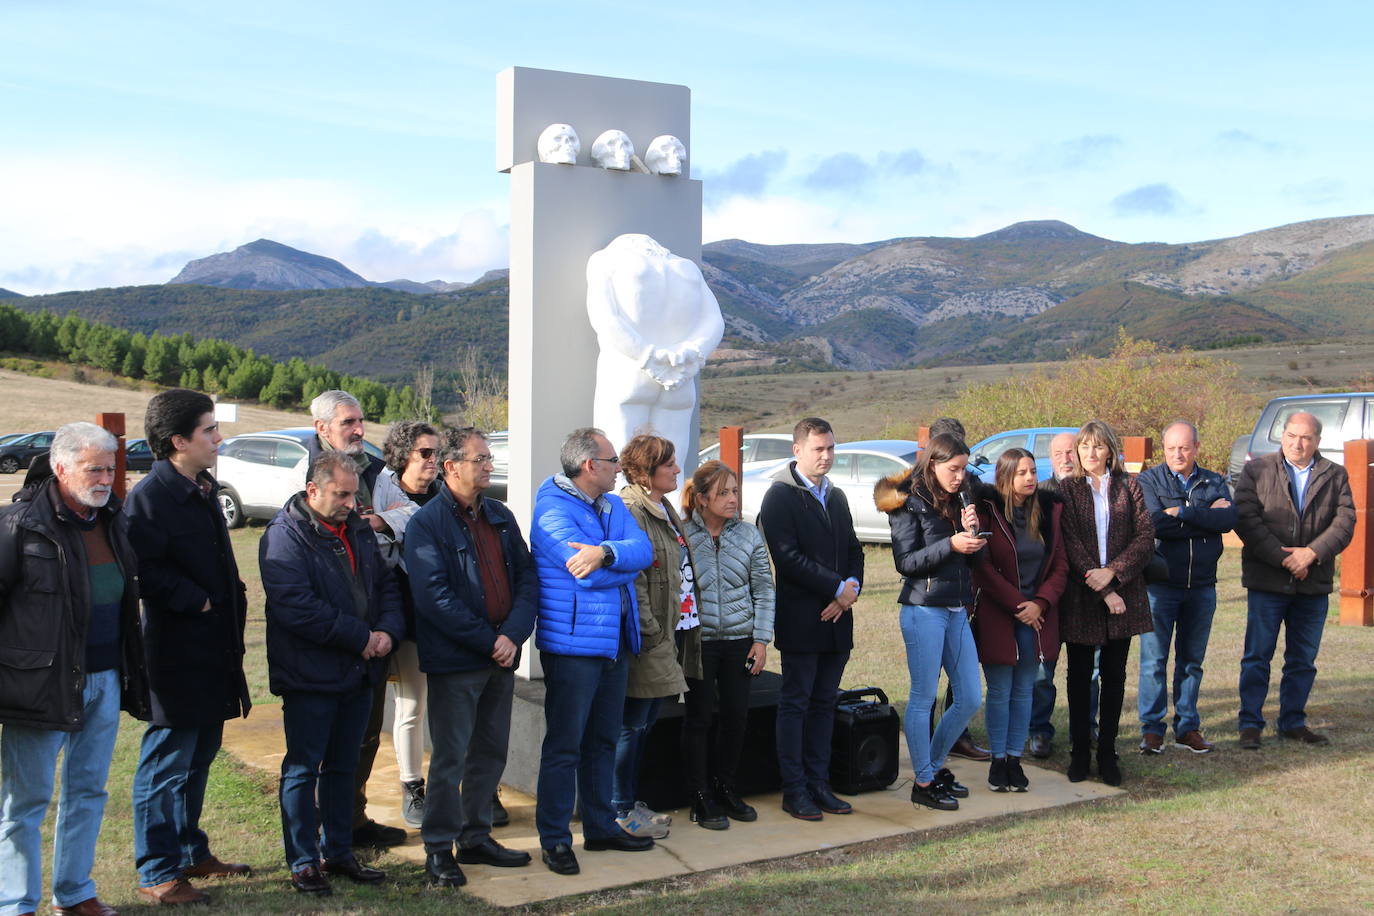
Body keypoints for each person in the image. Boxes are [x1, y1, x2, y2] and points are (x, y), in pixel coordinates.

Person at [0, 422, 150, 916]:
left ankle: (75, 893)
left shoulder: (113, 520)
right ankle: (15, 904)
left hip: (104, 679)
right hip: (39, 684)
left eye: (110, 468)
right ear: (61, 467)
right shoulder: (19, 524)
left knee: (88, 791)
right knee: (27, 801)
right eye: (94, 468)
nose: (105, 478)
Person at [126, 390, 252, 905]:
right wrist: (195, 601)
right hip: (177, 655)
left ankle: (189, 850)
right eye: (209, 430)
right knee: (166, 765)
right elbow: (142, 570)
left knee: (200, 756)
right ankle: (159, 871)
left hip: (214, 652)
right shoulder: (150, 498)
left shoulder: (202, 487)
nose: (218, 438)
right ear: (179, 441)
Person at [259, 453, 404, 895]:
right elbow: (295, 605)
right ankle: (304, 861)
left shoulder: (356, 527)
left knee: (343, 767)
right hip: (311, 675)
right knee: (304, 769)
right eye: (341, 494)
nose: (349, 502)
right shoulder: (285, 536)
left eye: (352, 493)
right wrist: (361, 636)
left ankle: (338, 851)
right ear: (313, 491)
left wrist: (387, 632)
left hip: (359, 669)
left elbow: (386, 585)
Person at [405, 428, 538, 888]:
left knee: (490, 752)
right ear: (451, 466)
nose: (488, 465)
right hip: (459, 661)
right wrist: (490, 641)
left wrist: (514, 635)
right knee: (451, 757)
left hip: (501, 657)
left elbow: (527, 579)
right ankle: (439, 848)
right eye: (479, 459)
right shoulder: (427, 523)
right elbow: (434, 597)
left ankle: (475, 836)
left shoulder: (500, 515)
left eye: (489, 458)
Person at [530, 428, 653, 876]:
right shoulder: (551, 508)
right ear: (589, 466)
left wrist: (604, 552)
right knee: (565, 746)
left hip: (614, 642)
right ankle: (556, 839)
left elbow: (644, 551)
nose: (619, 466)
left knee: (602, 741)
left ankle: (600, 828)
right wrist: (614, 565)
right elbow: (582, 575)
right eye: (613, 459)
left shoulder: (613, 504)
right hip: (573, 648)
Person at [304, 390, 403, 849]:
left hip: (372, 629)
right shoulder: (309, 480)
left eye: (361, 420)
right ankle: (325, 828)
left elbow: (408, 515)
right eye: (348, 423)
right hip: (332, 637)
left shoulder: (376, 472)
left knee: (364, 733)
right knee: (326, 741)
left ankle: (352, 818)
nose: (360, 430)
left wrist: (381, 519)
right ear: (323, 430)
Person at [760, 417, 864, 821]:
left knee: (825, 703)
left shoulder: (834, 496)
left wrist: (850, 586)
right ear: (797, 450)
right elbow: (787, 558)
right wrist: (835, 587)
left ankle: (820, 784)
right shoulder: (780, 497)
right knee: (797, 703)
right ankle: (795, 789)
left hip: (837, 619)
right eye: (818, 449)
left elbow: (854, 547)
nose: (826, 456)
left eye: (831, 448)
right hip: (803, 618)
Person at [874, 433, 984, 811]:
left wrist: (970, 535)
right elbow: (906, 563)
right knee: (923, 697)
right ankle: (923, 779)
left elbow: (969, 563)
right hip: (923, 609)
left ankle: (934, 768)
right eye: (953, 469)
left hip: (956, 607)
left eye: (964, 469)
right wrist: (951, 544)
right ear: (933, 464)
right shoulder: (907, 502)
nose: (959, 477)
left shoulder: (959, 500)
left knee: (970, 695)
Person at [1234, 411, 1354, 749]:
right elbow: (1246, 520)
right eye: (1291, 436)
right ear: (1282, 436)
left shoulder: (1335, 475)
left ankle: (1292, 721)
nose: (1297, 443)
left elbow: (1344, 523)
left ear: (1317, 441)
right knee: (1257, 656)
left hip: (1312, 584)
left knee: (1302, 659)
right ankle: (1250, 724)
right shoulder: (1256, 470)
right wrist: (1286, 558)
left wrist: (1311, 554)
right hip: (1267, 581)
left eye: (1305, 438)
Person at [614, 435, 703, 835]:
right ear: (646, 470)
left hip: (668, 632)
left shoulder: (663, 505)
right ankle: (620, 808)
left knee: (645, 723)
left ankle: (629, 801)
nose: (677, 471)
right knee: (632, 725)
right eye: (669, 464)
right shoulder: (631, 508)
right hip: (649, 638)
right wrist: (650, 631)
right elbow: (633, 578)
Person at [1058, 421, 1155, 786]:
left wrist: (1114, 574)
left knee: (1114, 677)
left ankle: (1108, 752)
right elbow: (1070, 543)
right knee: (1080, 677)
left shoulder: (1130, 486)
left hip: (1124, 592)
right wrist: (1102, 586)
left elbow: (1146, 537)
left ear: (1110, 451)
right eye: (1084, 447)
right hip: (1083, 594)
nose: (1091, 453)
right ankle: (1080, 751)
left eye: (1098, 446)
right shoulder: (1067, 490)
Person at [680, 461, 775, 827]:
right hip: (699, 644)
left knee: (736, 718)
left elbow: (764, 589)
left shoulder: (749, 535)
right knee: (699, 720)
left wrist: (761, 639)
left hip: (740, 641)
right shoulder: (684, 535)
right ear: (702, 498)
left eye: (734, 491)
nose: (732, 498)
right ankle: (699, 796)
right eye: (723, 492)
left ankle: (725, 787)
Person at [1135, 420, 1236, 755]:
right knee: (1153, 661)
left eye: (1184, 447)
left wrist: (1182, 511)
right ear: (1163, 449)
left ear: (1196, 448)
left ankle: (1187, 727)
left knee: (1192, 661)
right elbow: (1153, 524)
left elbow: (1227, 521)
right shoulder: (1149, 480)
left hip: (1202, 586)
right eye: (1171, 448)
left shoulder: (1214, 480)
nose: (1177, 454)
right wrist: (1203, 517)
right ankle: (1152, 729)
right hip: (1161, 587)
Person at [971, 449, 1067, 792]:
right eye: (1022, 473)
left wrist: (1039, 603)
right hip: (1000, 614)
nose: (1030, 478)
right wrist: (1018, 604)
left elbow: (1059, 565)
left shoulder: (1050, 511)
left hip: (1036, 619)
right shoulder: (987, 511)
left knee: (1025, 690)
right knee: (1000, 691)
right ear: (1005, 477)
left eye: (1032, 472)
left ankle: (1015, 759)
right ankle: (998, 762)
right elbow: (982, 568)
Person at [370, 420, 441, 829]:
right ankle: (412, 786)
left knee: (448, 705)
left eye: (436, 453)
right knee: (411, 704)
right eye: (425, 453)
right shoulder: (379, 490)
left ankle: (467, 784)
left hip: (443, 612)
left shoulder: (443, 493)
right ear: (403, 456)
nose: (433, 461)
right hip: (402, 611)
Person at [926, 417, 988, 763]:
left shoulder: (971, 485)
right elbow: (909, 558)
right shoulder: (912, 490)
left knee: (963, 681)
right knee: (926, 684)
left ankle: (956, 736)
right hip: (928, 598)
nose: (959, 474)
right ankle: (926, 756)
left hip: (963, 592)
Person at [1027, 431, 1087, 758]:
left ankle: (1086, 728)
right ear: (1050, 459)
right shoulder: (1040, 495)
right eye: (1059, 453)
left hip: (1084, 597)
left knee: (1086, 672)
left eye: (1070, 451)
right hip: (1049, 598)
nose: (1065, 457)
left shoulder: (1090, 493)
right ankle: (1038, 731)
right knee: (1041, 670)